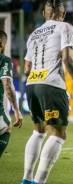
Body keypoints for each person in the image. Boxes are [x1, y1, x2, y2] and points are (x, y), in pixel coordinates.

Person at [21, 1, 73, 184]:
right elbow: (67, 58)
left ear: (44, 13)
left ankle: (26, 180)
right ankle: (39, 182)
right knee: (58, 133)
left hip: (32, 84)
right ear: (64, 13)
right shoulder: (65, 26)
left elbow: (27, 67)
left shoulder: (33, 34)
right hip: (51, 85)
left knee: (38, 131)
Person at [0, 30, 23, 158]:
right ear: (2, 43)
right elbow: (7, 85)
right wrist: (16, 110)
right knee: (7, 126)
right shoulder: (4, 60)